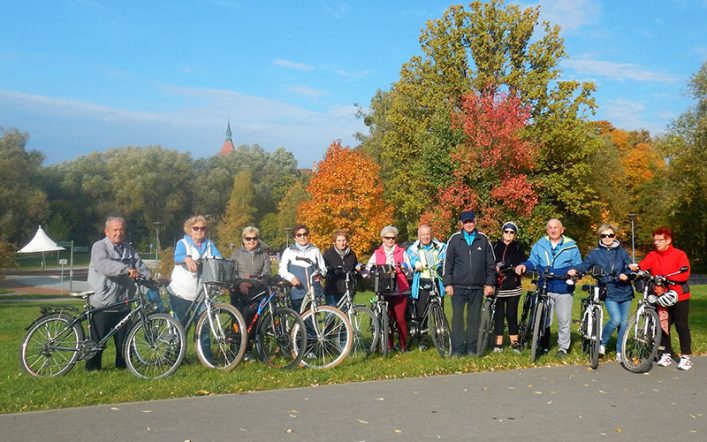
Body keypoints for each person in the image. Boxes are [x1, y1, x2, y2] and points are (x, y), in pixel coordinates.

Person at [86, 216, 149, 371]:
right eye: (115, 229)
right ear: (107, 232)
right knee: (98, 341)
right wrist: (125, 269)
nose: (118, 233)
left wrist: (151, 280)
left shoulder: (129, 249)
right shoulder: (99, 247)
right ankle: (93, 369)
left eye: (121, 229)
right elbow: (104, 265)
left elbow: (140, 267)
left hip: (124, 302)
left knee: (124, 340)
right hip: (103, 302)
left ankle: (124, 366)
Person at [515, 218, 582, 358]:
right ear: (547, 230)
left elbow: (578, 265)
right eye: (550, 227)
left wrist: (575, 271)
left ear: (562, 230)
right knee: (544, 319)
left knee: (564, 320)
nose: (553, 230)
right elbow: (533, 260)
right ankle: (543, 345)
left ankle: (563, 348)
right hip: (545, 285)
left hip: (564, 287)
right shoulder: (540, 244)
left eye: (556, 227)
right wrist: (524, 265)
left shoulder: (571, 246)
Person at [629, 227, 692, 370]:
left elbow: (684, 274)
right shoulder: (653, 255)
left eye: (659, 240)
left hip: (679, 295)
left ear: (668, 240)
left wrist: (667, 277)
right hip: (660, 295)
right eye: (655, 240)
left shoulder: (679, 255)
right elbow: (645, 265)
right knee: (663, 326)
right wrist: (637, 267)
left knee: (682, 326)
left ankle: (685, 357)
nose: (656, 243)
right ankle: (666, 353)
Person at [568, 224, 632, 362]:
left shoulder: (622, 252)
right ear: (600, 237)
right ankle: (602, 342)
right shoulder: (595, 253)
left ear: (615, 236)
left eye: (610, 235)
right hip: (608, 289)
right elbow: (584, 266)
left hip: (625, 290)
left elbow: (630, 266)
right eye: (604, 235)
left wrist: (627, 274)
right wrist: (575, 270)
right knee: (616, 319)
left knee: (624, 323)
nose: (607, 238)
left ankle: (620, 352)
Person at [443, 211, 496, 357]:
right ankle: (457, 349)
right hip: (458, 286)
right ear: (461, 223)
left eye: (470, 221)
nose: (468, 224)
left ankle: (472, 348)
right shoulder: (454, 239)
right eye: (465, 222)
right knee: (457, 319)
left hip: (477, 287)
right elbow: (448, 264)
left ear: (475, 221)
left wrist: (490, 283)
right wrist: (448, 283)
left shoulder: (483, 239)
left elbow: (490, 265)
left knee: (474, 319)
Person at [167, 215, 222, 330]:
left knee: (204, 326)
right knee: (181, 327)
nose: (199, 231)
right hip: (181, 293)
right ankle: (178, 347)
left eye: (202, 228)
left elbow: (218, 259)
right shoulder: (183, 243)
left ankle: (204, 348)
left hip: (202, 294)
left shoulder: (209, 245)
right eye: (195, 228)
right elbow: (177, 257)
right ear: (189, 230)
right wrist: (187, 259)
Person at [365, 225, 412, 352]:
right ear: (382, 239)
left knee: (400, 318)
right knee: (388, 318)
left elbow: (409, 270)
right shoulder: (377, 253)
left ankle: (403, 345)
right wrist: (364, 273)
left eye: (393, 238)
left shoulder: (401, 252)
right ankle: (389, 345)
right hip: (384, 289)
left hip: (400, 289)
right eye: (387, 238)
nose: (390, 240)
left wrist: (404, 268)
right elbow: (368, 269)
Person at [406, 223, 447, 351]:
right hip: (421, 284)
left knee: (439, 312)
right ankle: (422, 340)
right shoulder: (413, 248)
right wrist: (416, 264)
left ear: (432, 234)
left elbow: (445, 257)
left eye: (428, 234)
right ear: (419, 236)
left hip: (436, 281)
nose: (426, 237)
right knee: (422, 314)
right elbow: (411, 259)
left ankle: (441, 338)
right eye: (423, 235)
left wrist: (441, 263)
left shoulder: (440, 246)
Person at [492, 222, 527, 354]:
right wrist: (494, 267)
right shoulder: (495, 245)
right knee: (498, 315)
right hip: (498, 285)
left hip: (513, 285)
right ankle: (498, 343)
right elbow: (489, 260)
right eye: (506, 231)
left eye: (511, 232)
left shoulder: (518, 246)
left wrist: (519, 267)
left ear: (515, 234)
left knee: (512, 314)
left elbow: (523, 261)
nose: (508, 234)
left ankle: (514, 342)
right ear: (502, 232)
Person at [278, 224, 326, 313]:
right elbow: (282, 270)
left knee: (312, 319)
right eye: (299, 235)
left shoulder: (315, 250)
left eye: (305, 234)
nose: (302, 237)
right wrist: (291, 278)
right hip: (297, 292)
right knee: (302, 320)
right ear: (295, 238)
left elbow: (323, 268)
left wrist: (320, 274)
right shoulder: (289, 251)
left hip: (314, 292)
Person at [230, 226, 270, 331]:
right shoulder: (236, 254)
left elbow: (266, 274)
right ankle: (236, 344)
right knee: (239, 323)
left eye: (254, 238)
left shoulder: (264, 255)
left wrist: (251, 283)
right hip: (239, 293)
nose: (251, 241)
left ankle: (250, 344)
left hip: (257, 292)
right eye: (248, 238)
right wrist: (241, 284)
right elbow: (231, 274)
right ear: (244, 240)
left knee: (254, 324)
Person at [322, 229, 359, 307]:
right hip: (332, 289)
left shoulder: (352, 254)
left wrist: (358, 270)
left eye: (344, 240)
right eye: (339, 241)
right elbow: (324, 270)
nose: (342, 243)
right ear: (334, 242)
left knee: (345, 316)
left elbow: (355, 268)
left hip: (347, 291)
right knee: (331, 316)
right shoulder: (328, 254)